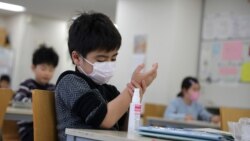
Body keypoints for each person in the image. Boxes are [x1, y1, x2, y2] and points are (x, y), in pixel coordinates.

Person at [55, 12, 158, 141]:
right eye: (101, 59)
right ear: (76, 57)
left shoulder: (110, 91)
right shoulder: (70, 82)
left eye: (113, 58)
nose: (108, 64)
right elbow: (104, 119)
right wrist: (130, 91)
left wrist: (137, 94)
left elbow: (124, 131)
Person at [13, 44, 59, 141]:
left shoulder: (53, 88)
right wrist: (42, 104)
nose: (47, 73)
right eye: (43, 68)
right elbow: (18, 100)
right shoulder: (27, 85)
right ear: (33, 68)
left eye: (51, 70)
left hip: (48, 128)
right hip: (28, 129)